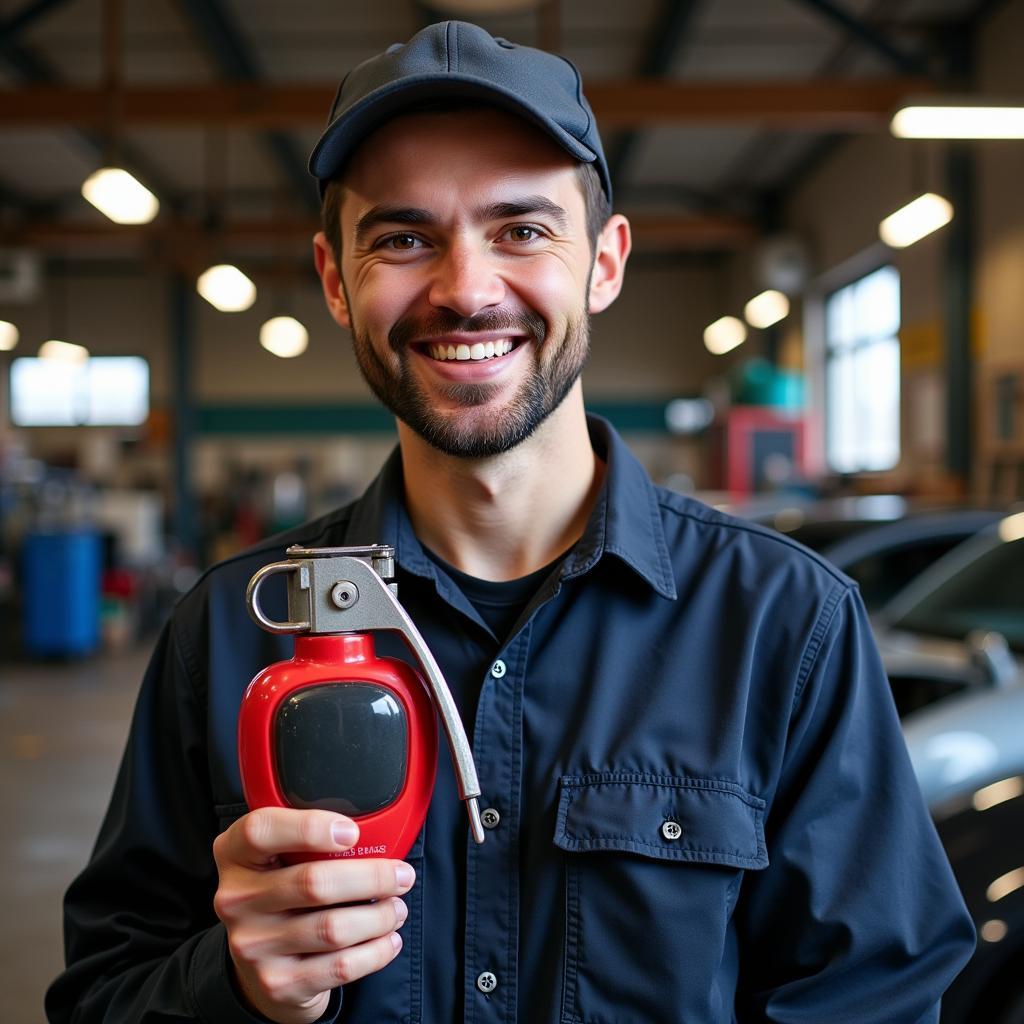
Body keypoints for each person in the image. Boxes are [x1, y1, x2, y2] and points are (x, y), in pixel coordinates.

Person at [47, 20, 975, 1024]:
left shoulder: (783, 627)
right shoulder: (228, 634)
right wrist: (233, 987)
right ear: (331, 279)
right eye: (402, 236)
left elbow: (872, 1001)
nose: (466, 289)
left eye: (522, 228)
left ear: (604, 262)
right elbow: (104, 992)